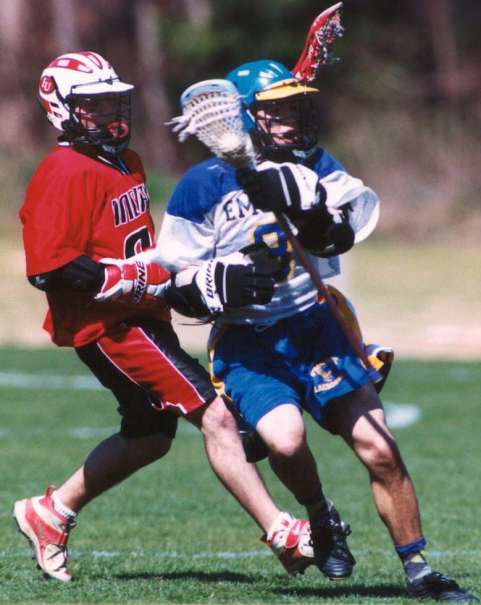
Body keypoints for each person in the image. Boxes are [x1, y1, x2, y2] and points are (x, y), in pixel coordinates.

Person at [145, 60, 477, 602]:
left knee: (380, 449)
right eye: (278, 111)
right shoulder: (202, 185)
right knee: (285, 441)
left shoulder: (316, 166)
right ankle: (322, 516)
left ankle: (420, 571)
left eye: (296, 107)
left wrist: (309, 206)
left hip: (317, 325)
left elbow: (340, 236)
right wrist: (213, 283)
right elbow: (172, 280)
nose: (293, 120)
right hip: (249, 341)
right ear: (245, 118)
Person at [12, 51, 328, 583]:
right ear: (62, 109)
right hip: (110, 327)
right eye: (94, 104)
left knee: (150, 435)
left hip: (141, 315)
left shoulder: (126, 161)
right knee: (216, 415)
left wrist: (189, 277)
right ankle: (281, 529)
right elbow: (50, 268)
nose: (110, 112)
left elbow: (144, 251)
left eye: (113, 101)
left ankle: (52, 512)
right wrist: (131, 280)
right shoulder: (64, 170)